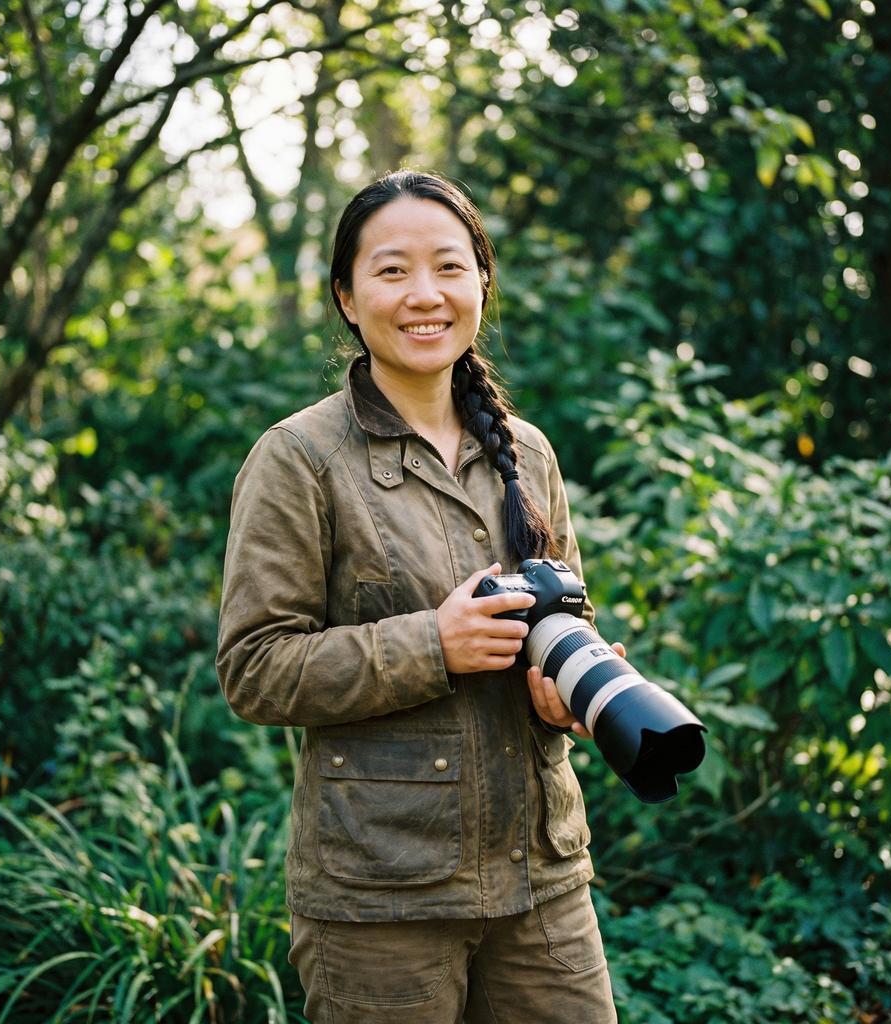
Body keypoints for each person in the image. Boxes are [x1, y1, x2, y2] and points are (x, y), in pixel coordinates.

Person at [216, 169, 618, 1023]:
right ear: (348, 298)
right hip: (379, 898)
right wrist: (432, 644)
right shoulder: (299, 459)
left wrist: (568, 691)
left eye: (447, 266)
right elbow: (254, 667)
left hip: (541, 877)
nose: (423, 294)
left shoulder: (528, 453)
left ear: (480, 281)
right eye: (392, 271)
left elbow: (567, 619)